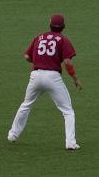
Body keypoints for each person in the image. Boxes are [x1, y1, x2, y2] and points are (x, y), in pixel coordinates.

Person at [7, 14, 82, 150]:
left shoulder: (39, 37)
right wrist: (75, 79)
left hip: (35, 76)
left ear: (50, 25)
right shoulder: (63, 40)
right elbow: (67, 61)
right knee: (67, 111)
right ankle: (70, 143)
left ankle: (13, 134)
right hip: (53, 77)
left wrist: (38, 61)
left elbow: (26, 56)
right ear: (63, 27)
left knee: (26, 105)